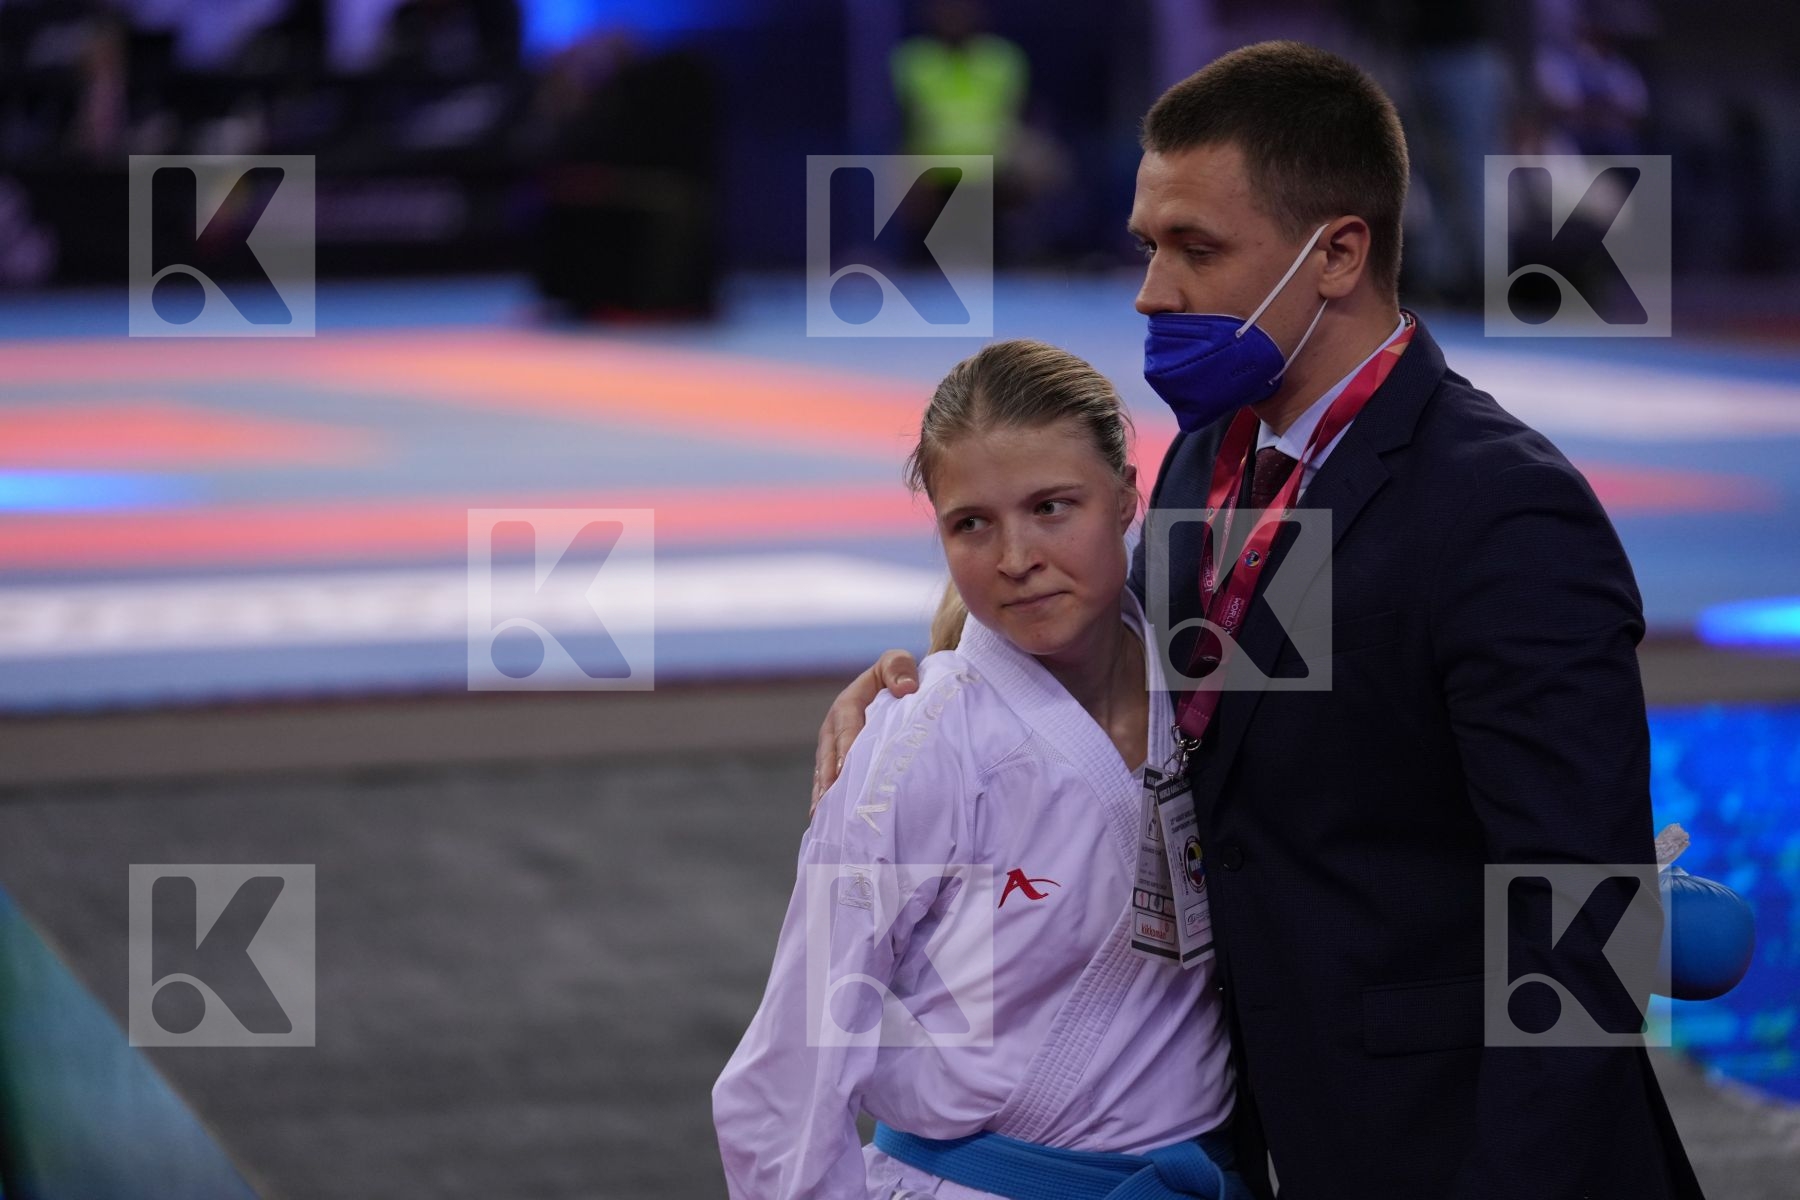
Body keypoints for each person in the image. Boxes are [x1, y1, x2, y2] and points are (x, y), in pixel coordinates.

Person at [811, 41, 1705, 1200]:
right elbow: (1129, 673)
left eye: (1197, 248)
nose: (1151, 289)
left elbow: (1585, 910)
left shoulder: (1498, 510)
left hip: (1473, 1153)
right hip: (1279, 1135)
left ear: (1336, 254)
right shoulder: (1211, 462)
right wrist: (916, 683)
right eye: (1148, 244)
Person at [714, 340, 1255, 1200]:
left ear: (1126, 498)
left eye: (1051, 507)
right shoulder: (919, 743)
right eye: (972, 523)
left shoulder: (1209, 676)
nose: (1014, 557)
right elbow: (794, 1062)